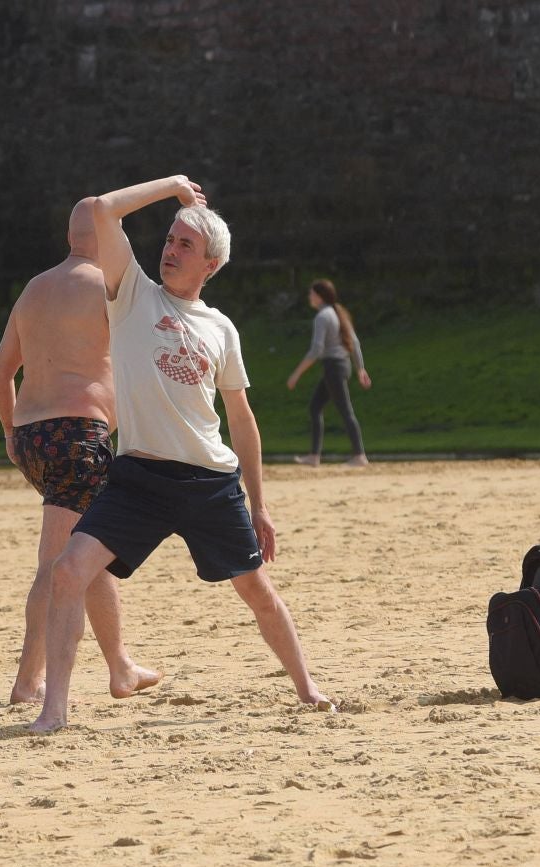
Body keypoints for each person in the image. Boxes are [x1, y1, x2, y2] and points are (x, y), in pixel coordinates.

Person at [28, 176, 329, 733]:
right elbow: (101, 209)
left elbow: (241, 420)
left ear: (210, 265)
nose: (170, 249)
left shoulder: (221, 329)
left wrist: (259, 505)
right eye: (169, 240)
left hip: (209, 483)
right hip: (138, 477)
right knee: (70, 570)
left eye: (185, 245)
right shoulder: (132, 293)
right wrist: (173, 189)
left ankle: (308, 690)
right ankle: (54, 710)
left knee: (258, 591)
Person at [0, 199, 160, 706]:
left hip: (35, 438)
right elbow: (139, 366)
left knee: (90, 555)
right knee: (56, 563)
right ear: (108, 239)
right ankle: (27, 680)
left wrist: (10, 433)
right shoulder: (105, 290)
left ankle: (120, 665)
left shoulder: (35, 288)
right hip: (78, 437)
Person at [285, 279, 371, 467]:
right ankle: (314, 456)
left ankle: (359, 455)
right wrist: (360, 368)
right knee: (315, 407)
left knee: (345, 411)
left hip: (334, 368)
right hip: (340, 367)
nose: (309, 297)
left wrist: (296, 373)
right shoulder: (337, 313)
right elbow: (355, 343)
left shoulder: (323, 316)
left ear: (318, 296)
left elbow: (316, 349)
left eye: (311, 293)